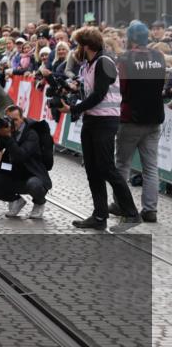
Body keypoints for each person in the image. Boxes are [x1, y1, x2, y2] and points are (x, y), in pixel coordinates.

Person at [59, 26, 141, 229]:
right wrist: (74, 89)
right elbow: (89, 92)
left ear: (86, 45)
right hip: (91, 119)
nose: (76, 48)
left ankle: (131, 212)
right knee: (93, 170)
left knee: (106, 168)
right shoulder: (88, 64)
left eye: (78, 44)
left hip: (105, 121)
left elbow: (99, 94)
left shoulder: (104, 61)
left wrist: (73, 109)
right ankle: (99, 216)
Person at [113, 20, 164, 223]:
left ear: (131, 38)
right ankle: (150, 209)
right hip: (154, 118)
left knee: (122, 164)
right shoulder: (158, 56)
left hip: (131, 118)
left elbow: (122, 88)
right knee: (151, 166)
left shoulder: (125, 59)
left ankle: (121, 204)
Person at [0, 105, 53, 219]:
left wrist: (8, 138)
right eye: (9, 120)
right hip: (13, 175)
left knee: (34, 185)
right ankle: (15, 201)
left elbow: (20, 156)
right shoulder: (7, 131)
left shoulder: (31, 134)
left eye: (16, 120)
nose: (13, 123)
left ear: (22, 119)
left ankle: (39, 203)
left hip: (32, 176)